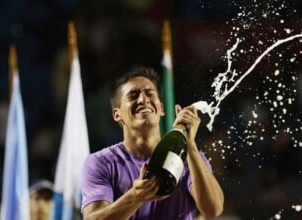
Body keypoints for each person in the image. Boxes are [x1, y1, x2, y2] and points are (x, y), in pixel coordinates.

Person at [81, 66, 224, 220]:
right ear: (117, 114)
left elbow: (213, 209)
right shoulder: (101, 163)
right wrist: (135, 197)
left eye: (150, 93)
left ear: (161, 108)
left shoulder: (189, 158)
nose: (143, 100)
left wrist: (190, 145)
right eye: (133, 96)